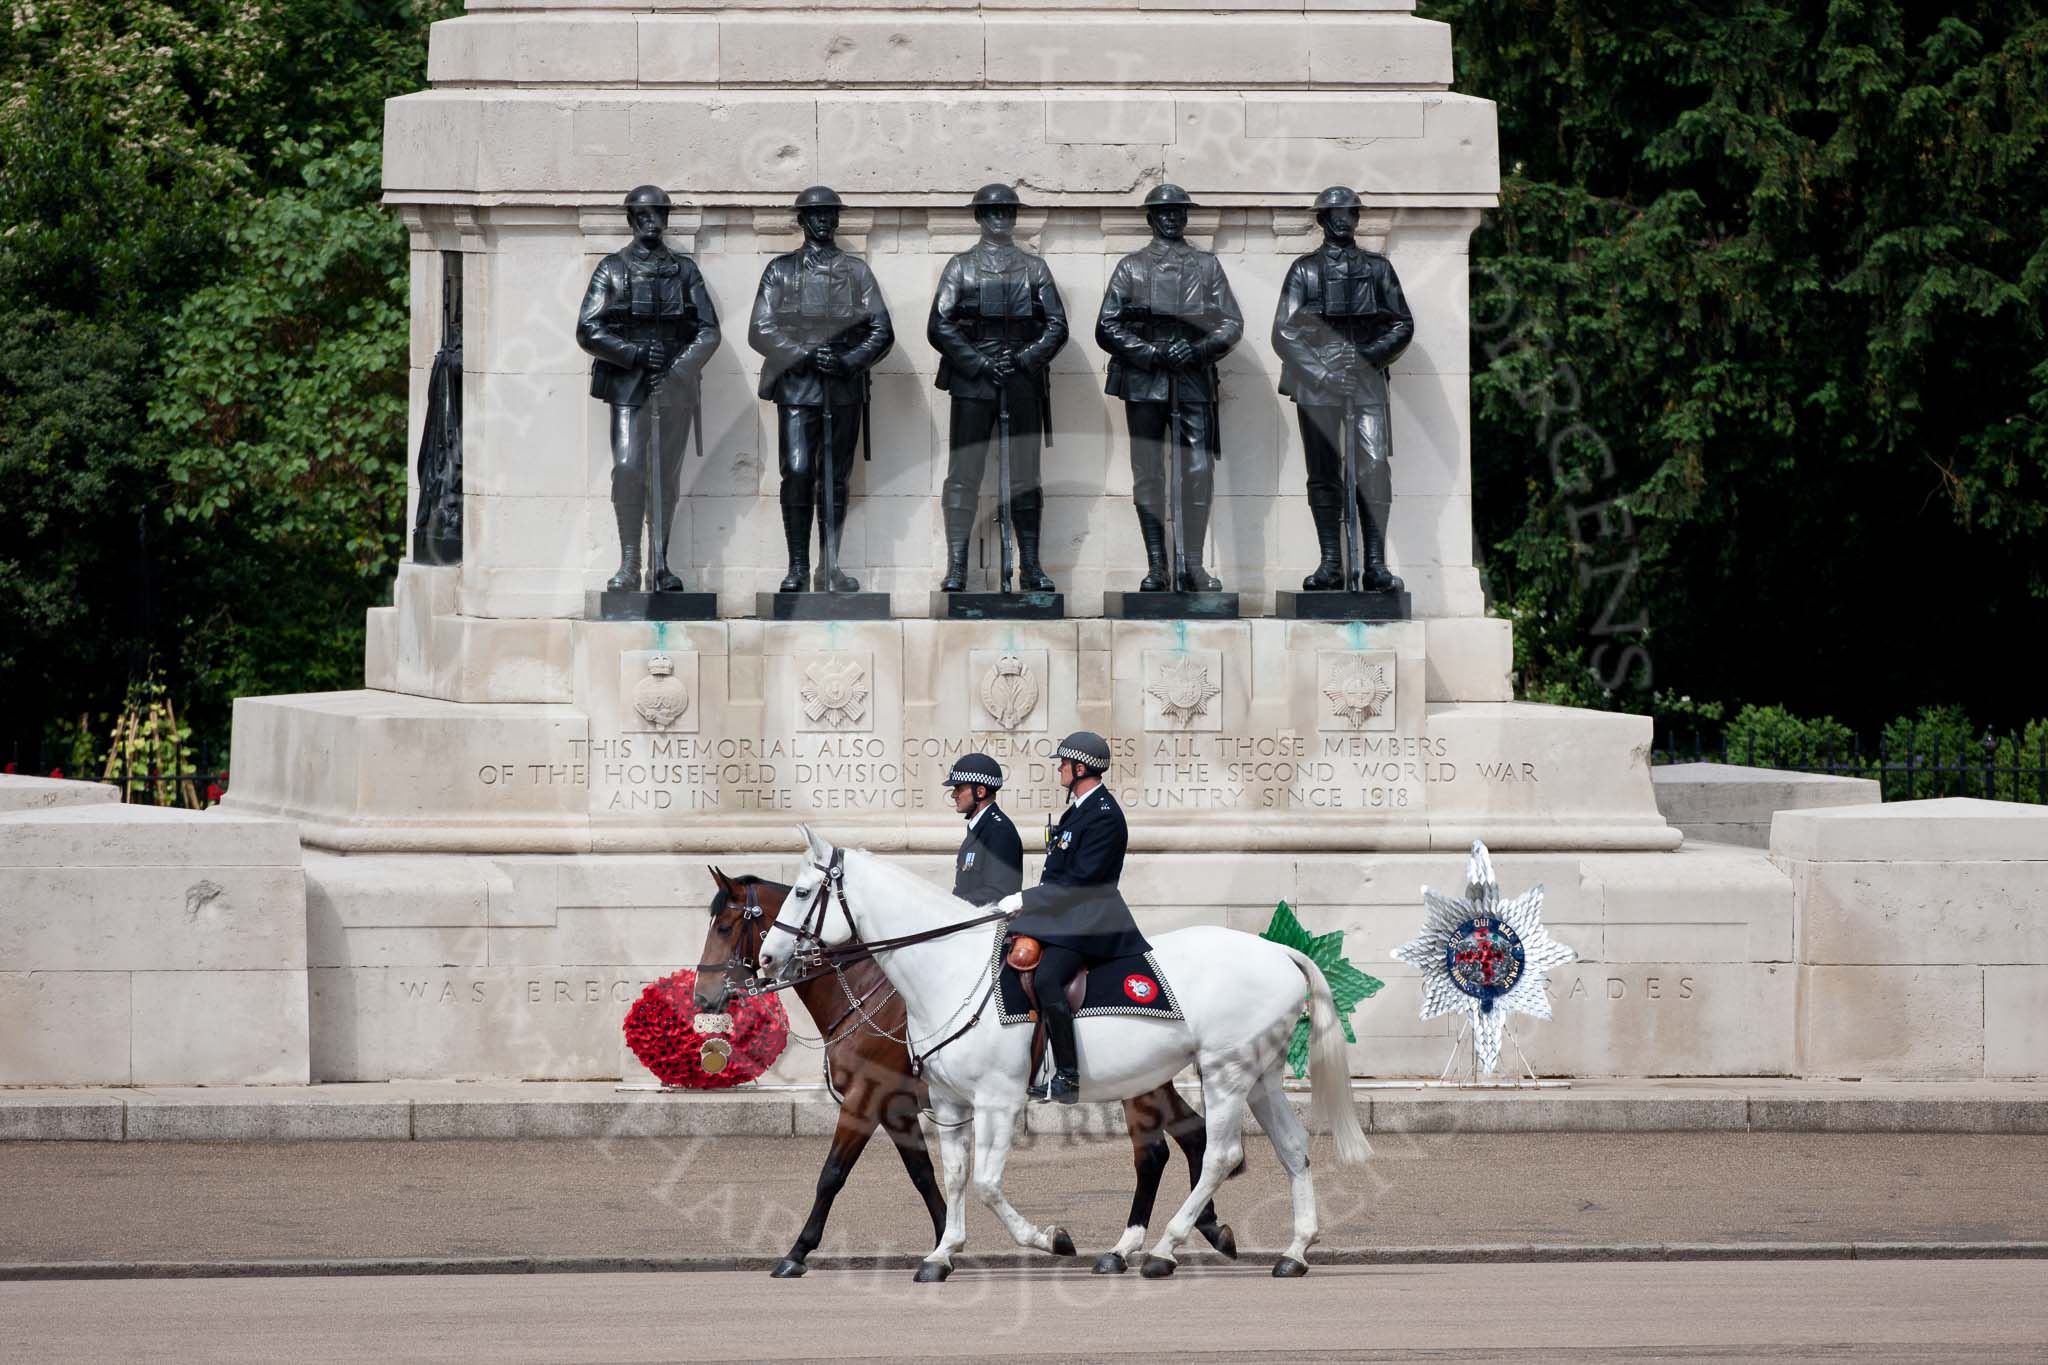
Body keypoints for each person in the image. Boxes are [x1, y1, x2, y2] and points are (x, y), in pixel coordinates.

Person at [1096, 185, 1243, 592]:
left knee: (1197, 469)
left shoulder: (1206, 265)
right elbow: (1107, 325)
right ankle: (1158, 565)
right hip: (1144, 380)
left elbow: (1231, 323)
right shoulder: (1132, 267)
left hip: (1193, 377)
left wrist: (1196, 349)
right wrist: (1152, 352)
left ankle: (1192, 564)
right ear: (1150, 218)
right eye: (1163, 211)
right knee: (1148, 474)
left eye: (1178, 211)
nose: (1172, 217)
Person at [748, 186, 894, 592]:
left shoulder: (856, 272)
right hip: (796, 386)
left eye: (831, 214)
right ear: (802, 220)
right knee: (796, 471)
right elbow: (760, 329)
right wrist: (804, 355)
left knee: (835, 478)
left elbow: (882, 331)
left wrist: (848, 361)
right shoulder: (781, 270)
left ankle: (829, 566)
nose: (824, 221)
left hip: (843, 387)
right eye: (816, 214)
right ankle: (797, 566)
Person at [576, 185, 721, 592]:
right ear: (631, 220)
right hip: (627, 386)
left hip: (673, 387)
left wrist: (678, 369)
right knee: (627, 468)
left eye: (658, 213)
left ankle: (660, 562)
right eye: (643, 215)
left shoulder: (685, 271)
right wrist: (635, 354)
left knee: (665, 476)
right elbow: (588, 329)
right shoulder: (612, 269)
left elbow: (708, 331)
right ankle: (628, 562)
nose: (651, 221)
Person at [1270, 185, 1415, 592]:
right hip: (1317, 385)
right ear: (1321, 220)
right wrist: (1324, 372)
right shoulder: (1304, 271)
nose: (1342, 220)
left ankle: (1374, 564)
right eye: (1334, 214)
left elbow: (1402, 324)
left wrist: (1368, 356)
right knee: (1323, 473)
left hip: (1366, 382)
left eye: (1349, 213)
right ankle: (1331, 562)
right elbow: (1284, 332)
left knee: (1373, 470)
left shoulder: (1377, 269)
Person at [928, 184, 1069, 593]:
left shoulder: (1034, 268)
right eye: (992, 212)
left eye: (1007, 212)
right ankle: (957, 565)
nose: (1001, 219)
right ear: (979, 217)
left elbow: (1056, 325)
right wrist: (980, 362)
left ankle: (1032, 566)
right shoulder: (960, 267)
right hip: (973, 382)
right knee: (963, 473)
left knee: (1026, 475)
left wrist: (1024, 359)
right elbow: (940, 324)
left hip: (1023, 381)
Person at [996, 731, 1150, 1104]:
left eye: (1064, 764)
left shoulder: (1104, 815)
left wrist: (1026, 898)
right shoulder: (1077, 810)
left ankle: (1068, 1074)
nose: (1060, 770)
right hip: (1064, 916)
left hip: (1090, 922)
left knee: (1048, 978)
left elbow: (1083, 883)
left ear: (1081, 767)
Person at [944, 752, 1023, 907]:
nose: (954, 794)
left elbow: (1000, 892)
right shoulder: (980, 828)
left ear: (980, 792)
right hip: (970, 923)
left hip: (990, 928)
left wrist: (953, 904)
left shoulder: (999, 830)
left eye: (959, 788)